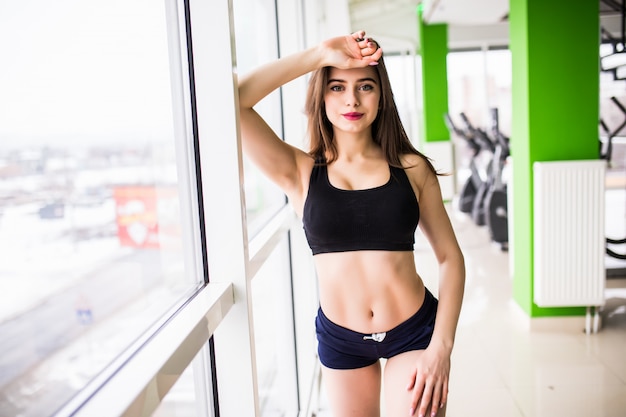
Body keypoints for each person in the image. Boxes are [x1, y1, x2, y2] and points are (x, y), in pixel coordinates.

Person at [238, 30, 465, 417]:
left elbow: (450, 259)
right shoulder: (300, 172)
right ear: (321, 96)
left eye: (365, 86)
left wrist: (441, 347)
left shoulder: (412, 169)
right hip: (341, 340)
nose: (352, 100)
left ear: (382, 96)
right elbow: (235, 101)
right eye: (337, 86)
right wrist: (319, 55)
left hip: (413, 332)